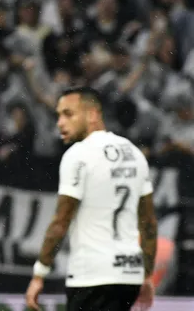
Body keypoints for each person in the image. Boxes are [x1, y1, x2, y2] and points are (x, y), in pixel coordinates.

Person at [25, 87, 158, 311]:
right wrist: (146, 274)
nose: (60, 123)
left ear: (93, 115)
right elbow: (149, 223)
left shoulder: (78, 155)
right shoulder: (134, 154)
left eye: (68, 114)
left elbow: (61, 221)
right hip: (129, 276)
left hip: (92, 277)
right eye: (58, 115)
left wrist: (39, 274)